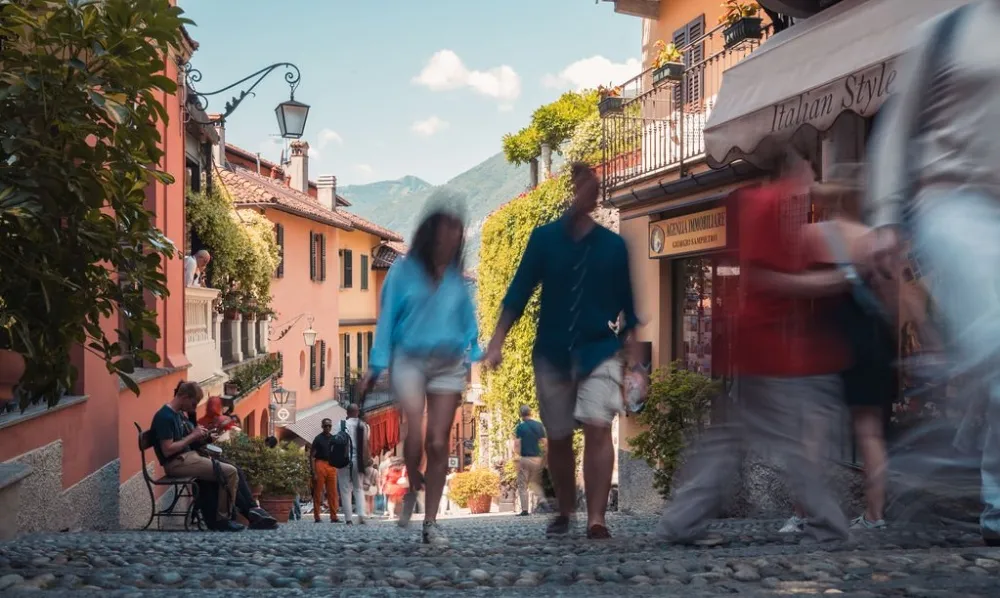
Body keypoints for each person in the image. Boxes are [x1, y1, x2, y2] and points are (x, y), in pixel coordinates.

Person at [655, 146, 852, 545]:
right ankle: (829, 525)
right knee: (792, 442)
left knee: (727, 440)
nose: (813, 180)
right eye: (810, 171)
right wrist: (828, 283)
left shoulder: (772, 205)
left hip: (758, 346)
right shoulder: (770, 207)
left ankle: (682, 521)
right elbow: (762, 276)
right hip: (768, 349)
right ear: (795, 169)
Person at [865, 1, 1000, 547]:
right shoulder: (946, 31)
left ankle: (992, 505)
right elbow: (896, 131)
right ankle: (935, 459)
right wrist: (885, 217)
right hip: (953, 200)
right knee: (996, 340)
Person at [483, 162, 642, 540]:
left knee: (599, 428)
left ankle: (597, 519)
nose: (589, 193)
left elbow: (629, 310)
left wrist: (634, 364)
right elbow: (518, 291)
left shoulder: (614, 246)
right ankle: (567, 510)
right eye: (583, 186)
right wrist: (497, 341)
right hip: (552, 352)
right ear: (572, 191)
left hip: (599, 351)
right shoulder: (544, 239)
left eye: (594, 187)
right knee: (557, 437)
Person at [779, 163, 896, 534]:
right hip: (872, 339)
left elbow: (794, 293)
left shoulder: (812, 235)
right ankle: (875, 516)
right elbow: (892, 301)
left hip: (827, 336)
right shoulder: (876, 239)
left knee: (812, 433)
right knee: (870, 432)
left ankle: (803, 513)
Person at [360, 189, 481, 546]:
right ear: (432, 234)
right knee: (415, 427)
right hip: (409, 360)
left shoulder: (457, 278)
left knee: (440, 440)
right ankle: (413, 476)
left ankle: (430, 521)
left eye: (458, 234)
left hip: (447, 364)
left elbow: (467, 322)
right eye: (448, 231)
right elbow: (387, 320)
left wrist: (478, 351)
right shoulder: (402, 272)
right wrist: (376, 364)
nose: (453, 239)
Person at [151, 381, 244, 532]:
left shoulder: (177, 414)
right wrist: (193, 436)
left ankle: (218, 518)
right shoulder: (165, 417)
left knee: (228, 468)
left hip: (187, 457)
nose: (193, 408)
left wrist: (203, 435)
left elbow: (186, 438)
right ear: (185, 397)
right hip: (176, 463)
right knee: (230, 472)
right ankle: (223, 520)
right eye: (193, 404)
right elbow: (167, 450)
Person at [336, 404, 371, 525]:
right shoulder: (364, 426)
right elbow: (366, 445)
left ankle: (348, 519)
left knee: (345, 489)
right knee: (359, 488)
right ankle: (361, 516)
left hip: (344, 460)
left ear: (347, 412)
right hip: (358, 460)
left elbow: (336, 442)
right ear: (358, 412)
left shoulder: (340, 425)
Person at [514, 405, 546, 516]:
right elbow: (545, 443)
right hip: (537, 459)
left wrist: (518, 456)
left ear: (521, 415)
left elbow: (517, 445)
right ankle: (542, 500)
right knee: (535, 482)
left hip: (525, 458)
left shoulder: (520, 427)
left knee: (523, 484)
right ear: (530, 413)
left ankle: (524, 510)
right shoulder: (539, 425)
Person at [309, 418, 340, 523]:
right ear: (322, 426)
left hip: (331, 465)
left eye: (329, 426)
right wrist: (313, 471)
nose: (327, 428)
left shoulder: (333, 439)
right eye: (325, 426)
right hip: (320, 464)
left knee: (333, 493)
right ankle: (317, 517)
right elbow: (312, 456)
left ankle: (334, 516)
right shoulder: (318, 439)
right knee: (318, 492)